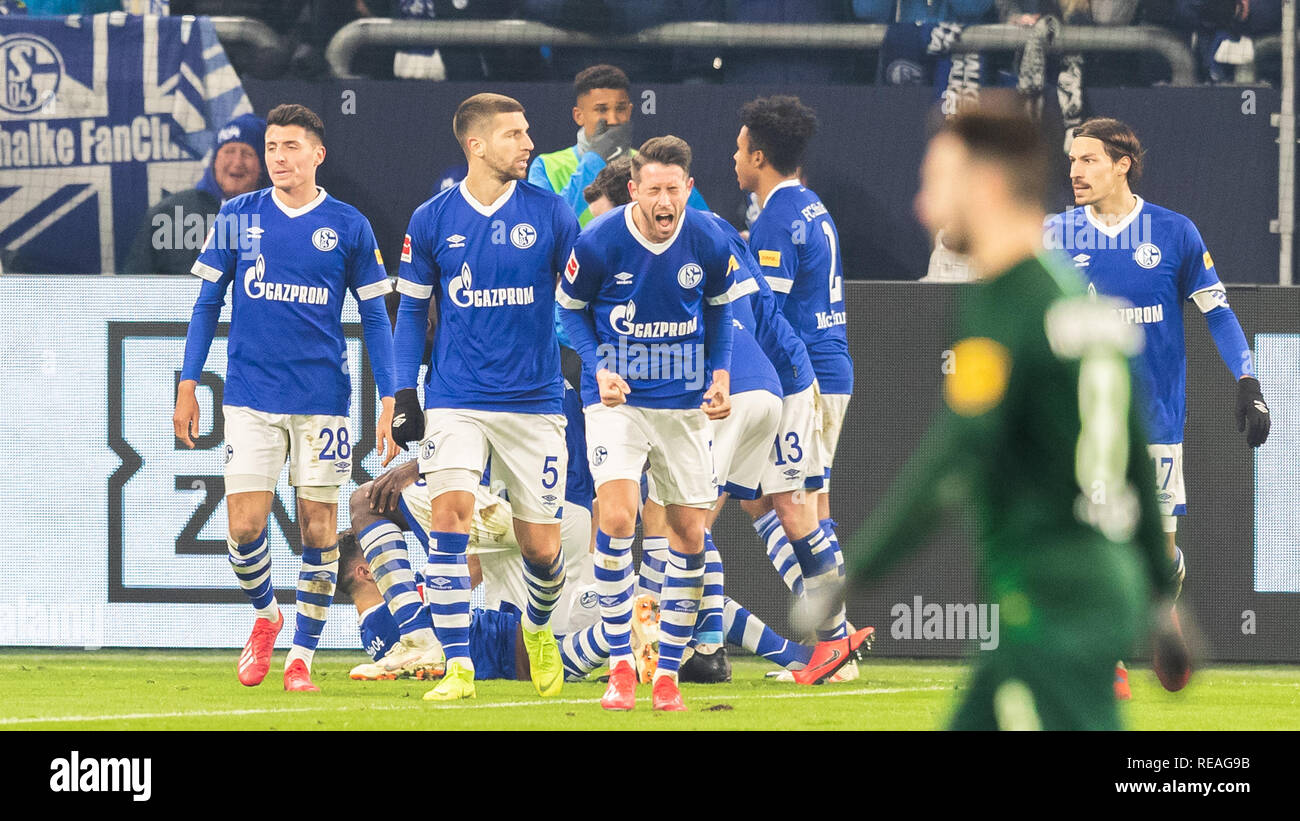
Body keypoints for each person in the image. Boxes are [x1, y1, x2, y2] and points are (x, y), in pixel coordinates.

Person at [834, 105, 1180, 730]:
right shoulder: (1074, 294)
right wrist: (1160, 596)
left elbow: (958, 452)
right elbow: (1132, 452)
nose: (921, 207)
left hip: (1052, 598)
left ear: (985, 187)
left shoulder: (1007, 306)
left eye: (936, 183)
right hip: (1091, 583)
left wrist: (857, 571)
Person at [582, 160, 873, 686]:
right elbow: (756, 309)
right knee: (773, 510)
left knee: (675, 535)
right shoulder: (712, 233)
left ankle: (731, 651)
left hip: (732, 385)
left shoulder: (684, 246)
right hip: (778, 377)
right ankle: (826, 642)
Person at [173, 103, 399, 693]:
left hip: (323, 398)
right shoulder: (236, 215)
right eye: (273, 147)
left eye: (291, 147)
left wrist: (390, 395)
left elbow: (375, 316)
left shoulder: (348, 224)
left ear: (316, 155)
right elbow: (206, 306)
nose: (278, 158)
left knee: (319, 531)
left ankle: (301, 656)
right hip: (249, 396)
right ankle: (267, 615)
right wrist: (187, 384)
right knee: (245, 527)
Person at [1055, 116, 1270, 697]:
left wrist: (1248, 379)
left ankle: (1161, 602)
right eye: (1073, 160)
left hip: (1155, 418)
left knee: (1156, 550)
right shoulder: (1055, 235)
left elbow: (1218, 312)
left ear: (1122, 163)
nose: (1075, 171)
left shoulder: (1173, 233)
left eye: (1089, 159)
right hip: (1083, 420)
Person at [390, 92, 580, 702]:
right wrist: (401, 391)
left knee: (541, 551)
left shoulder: (552, 214)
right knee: (450, 522)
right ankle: (459, 670)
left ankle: (540, 628)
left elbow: (579, 302)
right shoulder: (432, 219)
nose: (529, 144)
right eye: (515, 134)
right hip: (456, 396)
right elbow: (410, 312)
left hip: (535, 399)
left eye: (527, 132)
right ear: (475, 145)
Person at [350, 381, 597, 681]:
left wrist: (418, 467)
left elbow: (488, 433)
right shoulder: (545, 370)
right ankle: (624, 628)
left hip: (514, 507)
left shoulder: (479, 364)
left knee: (366, 502)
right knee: (529, 662)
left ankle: (417, 638)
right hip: (566, 516)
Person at [736, 95, 853, 651]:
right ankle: (840, 637)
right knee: (786, 503)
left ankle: (834, 640)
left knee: (793, 506)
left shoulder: (777, 220)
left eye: (739, 149)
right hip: (828, 368)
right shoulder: (809, 204)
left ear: (758, 156)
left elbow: (766, 315)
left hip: (800, 375)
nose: (733, 159)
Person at [528, 64, 709, 227]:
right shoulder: (545, 166)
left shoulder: (655, 166)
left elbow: (705, 226)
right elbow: (545, 228)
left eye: (620, 109)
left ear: (629, 111)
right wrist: (595, 159)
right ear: (579, 116)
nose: (613, 120)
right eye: (601, 110)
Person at [122, 114, 266, 275]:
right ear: (214, 161)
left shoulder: (278, 214)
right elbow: (135, 284)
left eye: (247, 154)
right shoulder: (169, 213)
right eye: (229, 151)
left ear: (263, 165)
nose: (237, 162)